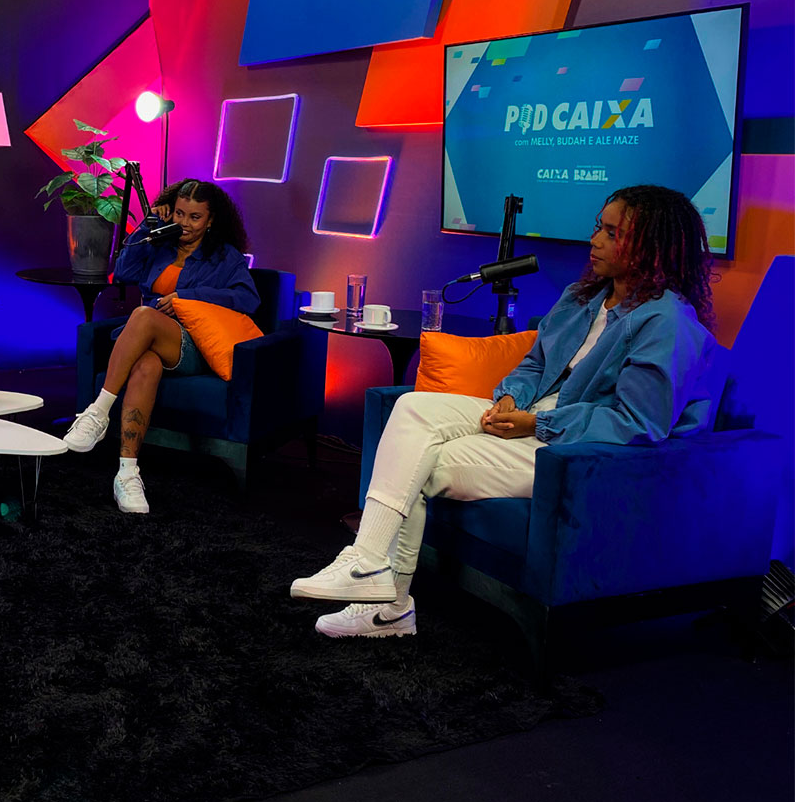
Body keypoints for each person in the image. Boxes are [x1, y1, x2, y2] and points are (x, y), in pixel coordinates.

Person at [290, 184, 722, 638]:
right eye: (600, 227)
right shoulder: (582, 297)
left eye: (613, 234)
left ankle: (388, 607)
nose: (595, 240)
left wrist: (538, 423)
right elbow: (535, 363)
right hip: (532, 418)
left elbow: (637, 423)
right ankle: (367, 566)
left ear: (652, 248)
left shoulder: (668, 323)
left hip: (572, 450)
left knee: (419, 462)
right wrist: (511, 397)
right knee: (411, 408)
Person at [62, 178, 258, 513]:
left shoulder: (224, 257)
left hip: (193, 344)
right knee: (146, 366)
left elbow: (248, 299)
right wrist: (148, 225)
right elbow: (123, 272)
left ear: (211, 220)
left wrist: (187, 298)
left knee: (144, 315)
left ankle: (98, 412)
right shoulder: (161, 244)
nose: (185, 223)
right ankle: (127, 474)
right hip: (149, 342)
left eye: (195, 217)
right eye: (179, 214)